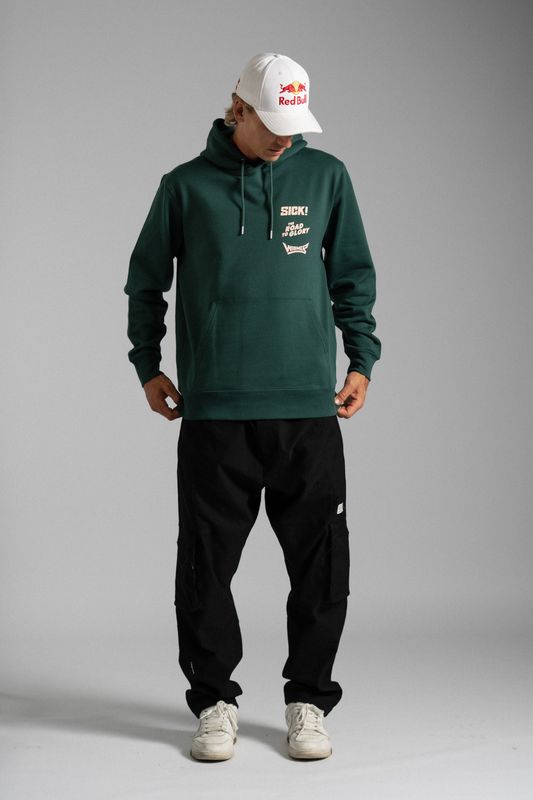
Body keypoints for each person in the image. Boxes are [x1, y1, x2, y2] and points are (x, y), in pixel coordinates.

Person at [124, 52, 381, 762]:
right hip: (216, 412)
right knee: (205, 567)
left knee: (322, 566)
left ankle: (308, 701)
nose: (283, 137)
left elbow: (352, 275)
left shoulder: (326, 176)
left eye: (294, 124)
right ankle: (213, 701)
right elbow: (145, 282)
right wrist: (147, 364)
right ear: (236, 108)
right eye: (271, 122)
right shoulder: (183, 187)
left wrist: (361, 359)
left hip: (307, 410)